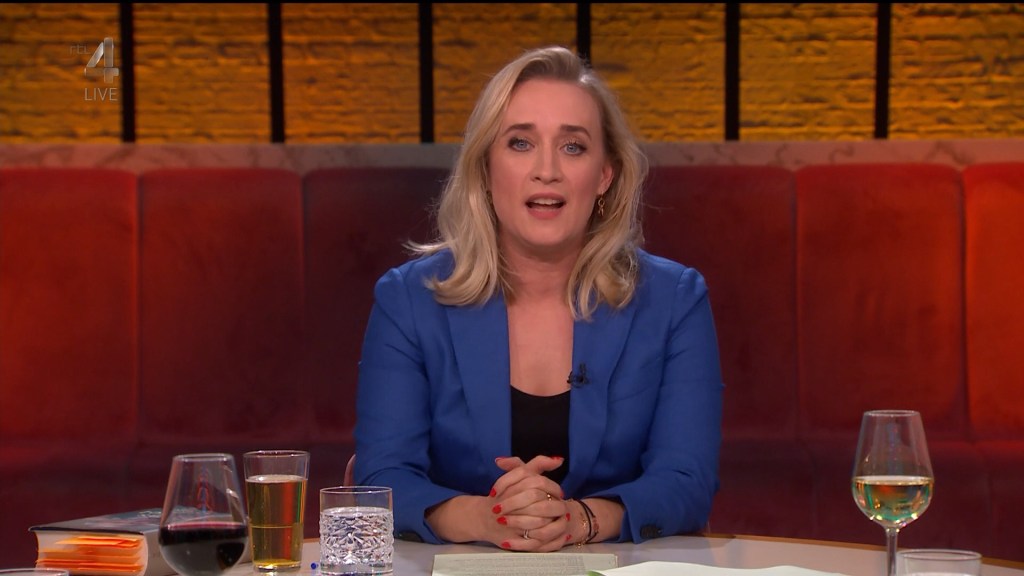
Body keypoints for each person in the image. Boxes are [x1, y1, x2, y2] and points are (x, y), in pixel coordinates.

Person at [353, 45, 723, 552]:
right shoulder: (409, 302)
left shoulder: (674, 301)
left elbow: (686, 479)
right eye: (521, 143)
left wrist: (580, 519)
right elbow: (382, 476)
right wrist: (484, 517)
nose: (546, 170)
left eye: (573, 147)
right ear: (486, 169)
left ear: (605, 175)